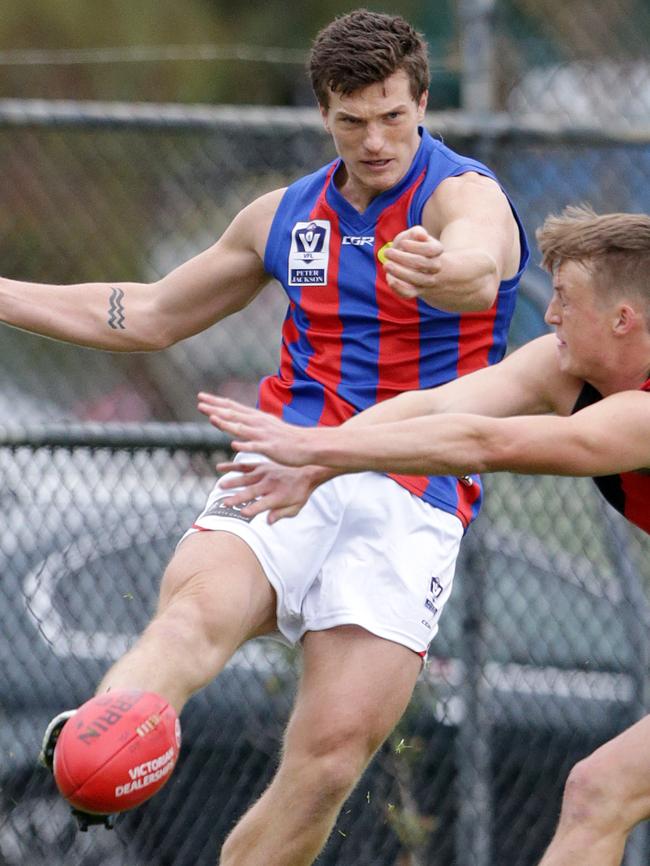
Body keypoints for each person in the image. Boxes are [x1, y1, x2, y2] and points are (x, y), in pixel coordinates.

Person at [0, 9, 527, 864]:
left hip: (412, 488)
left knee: (325, 764)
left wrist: (449, 265)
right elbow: (152, 314)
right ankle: (98, 748)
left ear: (422, 101)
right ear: (324, 113)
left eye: (394, 116)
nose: (377, 139)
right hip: (286, 457)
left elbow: (481, 261)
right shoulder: (283, 216)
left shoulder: (461, 195)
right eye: (353, 120)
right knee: (191, 619)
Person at [197, 205, 650, 866]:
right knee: (599, 792)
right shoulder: (564, 372)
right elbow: (444, 405)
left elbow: (484, 441)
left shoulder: (638, 415)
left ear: (622, 320)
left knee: (600, 790)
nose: (549, 315)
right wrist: (321, 458)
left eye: (564, 301)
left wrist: (318, 449)